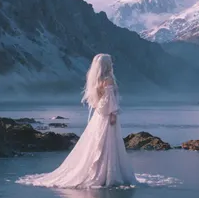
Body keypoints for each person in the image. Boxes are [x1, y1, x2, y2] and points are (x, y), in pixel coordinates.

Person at [18, 54, 137, 188]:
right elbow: (109, 99)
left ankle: (99, 170)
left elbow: (101, 100)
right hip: (107, 115)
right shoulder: (108, 79)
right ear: (106, 65)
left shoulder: (99, 79)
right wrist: (113, 113)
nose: (112, 65)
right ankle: (107, 173)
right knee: (106, 142)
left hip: (100, 115)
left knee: (99, 142)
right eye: (110, 62)